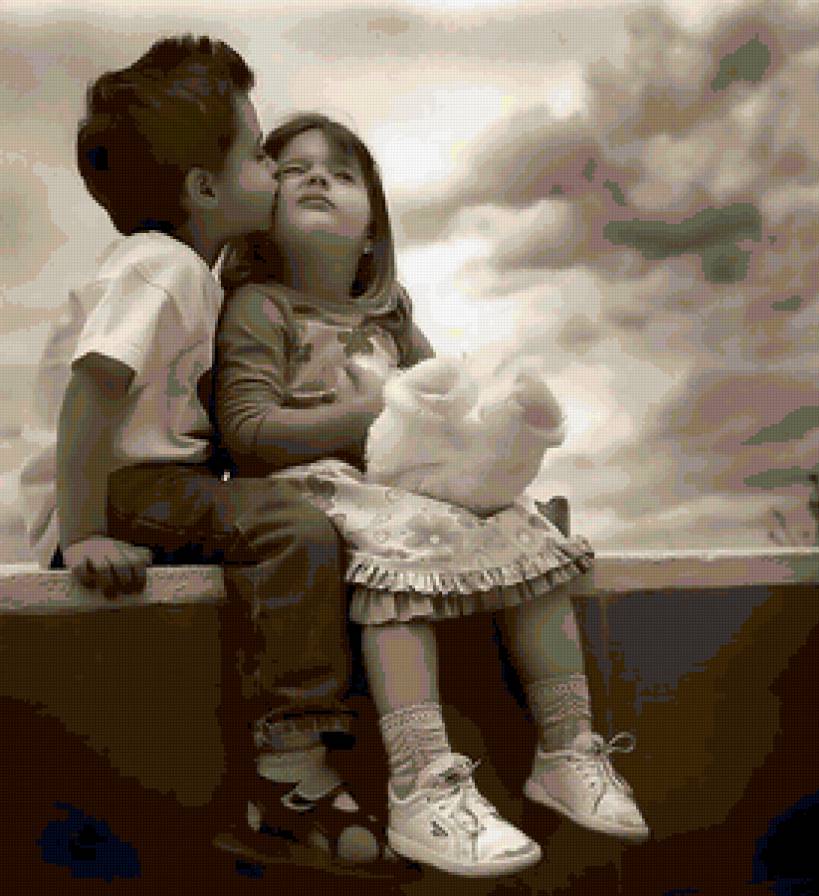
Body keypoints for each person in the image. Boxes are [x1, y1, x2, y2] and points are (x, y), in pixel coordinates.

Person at [215, 112, 649, 878]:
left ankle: (567, 747)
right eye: (295, 169)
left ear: (371, 234)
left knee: (524, 532)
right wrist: (367, 414)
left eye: (341, 174)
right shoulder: (262, 307)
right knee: (403, 545)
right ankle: (420, 783)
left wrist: (496, 450)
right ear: (263, 215)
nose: (318, 179)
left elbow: (444, 417)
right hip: (315, 487)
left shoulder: (392, 319)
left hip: (397, 492)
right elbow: (246, 431)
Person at [17, 39, 401, 877]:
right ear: (203, 188)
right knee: (291, 528)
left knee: (295, 520)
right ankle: (290, 771)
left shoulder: (193, 275)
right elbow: (92, 394)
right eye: (260, 155)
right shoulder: (161, 271)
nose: (275, 170)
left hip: (152, 488)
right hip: (120, 492)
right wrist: (82, 533)